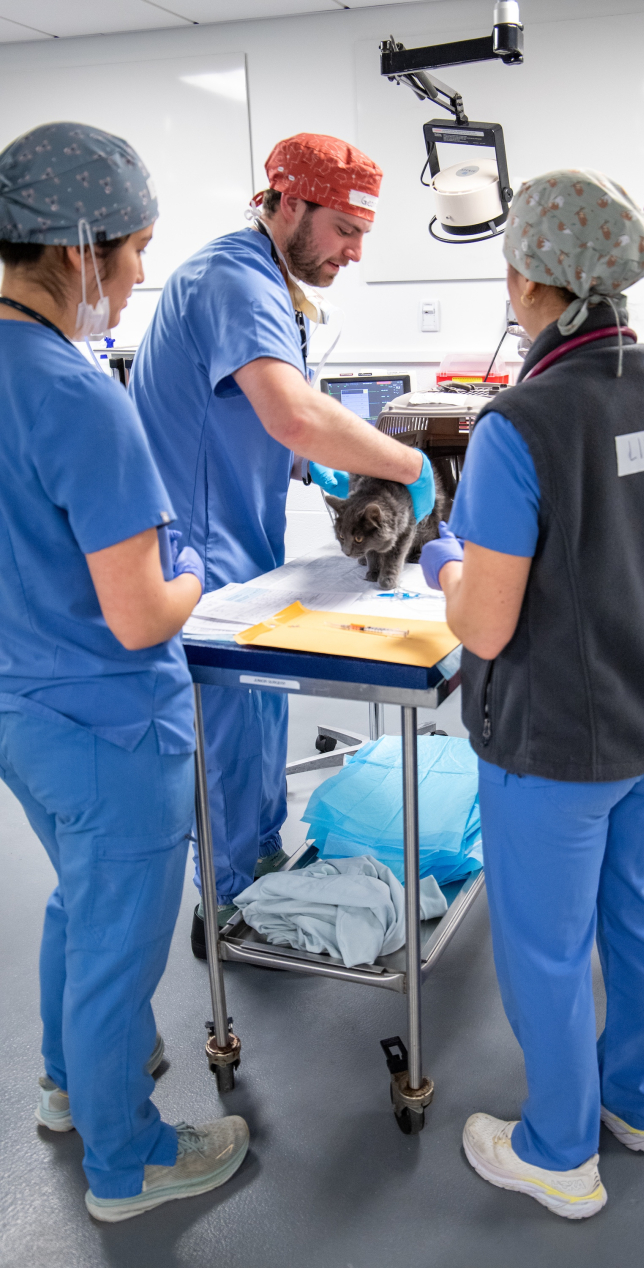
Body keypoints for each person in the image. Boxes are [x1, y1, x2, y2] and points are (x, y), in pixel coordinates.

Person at [420, 169, 644, 1218]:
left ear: (526, 281)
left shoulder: (518, 425)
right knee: (638, 912)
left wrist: (446, 564)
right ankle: (635, 1104)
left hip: (559, 751)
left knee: (546, 949)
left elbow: (483, 627)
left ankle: (556, 1151)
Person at [0, 122, 247, 1222]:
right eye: (138, 249)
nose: (142, 273)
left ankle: (68, 1086)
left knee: (81, 904)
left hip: (22, 707)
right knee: (117, 944)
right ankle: (128, 1162)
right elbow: (143, 611)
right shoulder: (75, 392)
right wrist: (196, 565)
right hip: (109, 725)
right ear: (80, 249)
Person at [128, 133, 434, 952]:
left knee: (260, 720)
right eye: (344, 229)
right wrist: (407, 466)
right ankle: (228, 904)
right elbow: (291, 412)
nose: (355, 251)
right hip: (199, 553)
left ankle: (259, 862)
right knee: (230, 736)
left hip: (241, 544)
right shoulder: (231, 277)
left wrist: (315, 466)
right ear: (289, 203)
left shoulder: (269, 280)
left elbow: (263, 416)